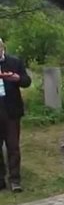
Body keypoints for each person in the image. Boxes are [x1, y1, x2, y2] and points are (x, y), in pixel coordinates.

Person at [0, 38, 32, 192]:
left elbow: (27, 81)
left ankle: (15, 179)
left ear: (2, 48)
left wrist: (17, 78)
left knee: (13, 146)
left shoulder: (14, 61)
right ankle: (0, 179)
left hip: (11, 110)